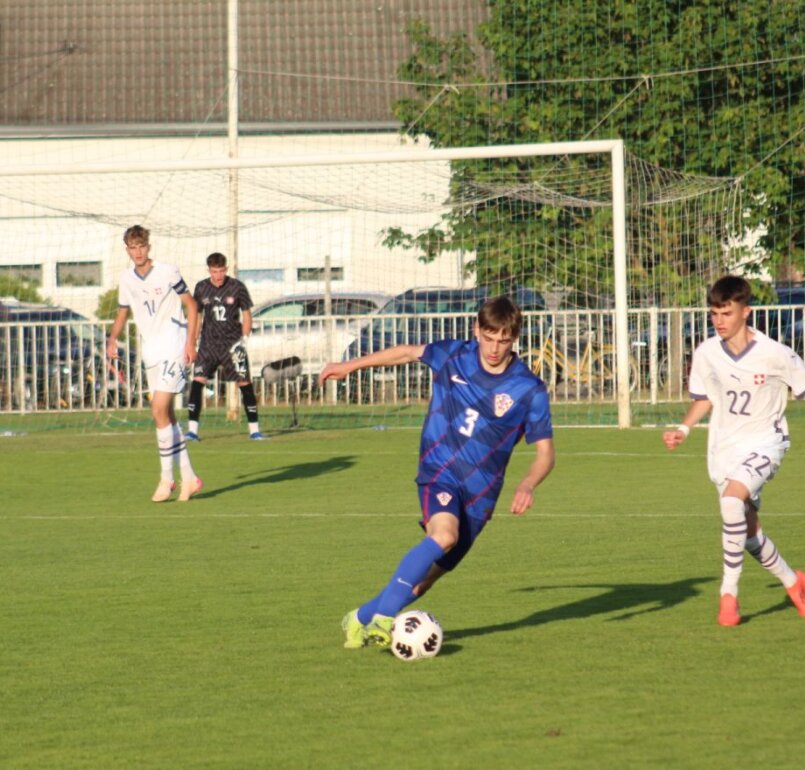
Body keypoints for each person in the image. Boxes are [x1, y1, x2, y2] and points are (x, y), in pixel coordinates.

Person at [320, 294, 556, 649]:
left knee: (422, 582)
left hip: (481, 496)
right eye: (488, 337)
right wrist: (348, 366)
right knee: (444, 535)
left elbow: (546, 454)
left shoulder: (528, 389)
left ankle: (359, 619)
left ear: (515, 338)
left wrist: (528, 483)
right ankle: (384, 621)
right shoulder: (453, 355)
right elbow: (404, 352)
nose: (494, 348)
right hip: (439, 470)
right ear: (477, 329)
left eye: (503, 340)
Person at [663, 275, 805, 627]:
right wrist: (683, 430)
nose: (719, 321)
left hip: (766, 443)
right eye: (715, 313)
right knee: (747, 533)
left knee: (732, 501)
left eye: (727, 313)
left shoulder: (774, 353)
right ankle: (794, 583)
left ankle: (728, 596)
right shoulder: (706, 353)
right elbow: (704, 399)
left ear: (745, 312)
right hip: (725, 450)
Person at [106, 225, 203, 502]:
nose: (137, 252)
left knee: (157, 408)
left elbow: (192, 306)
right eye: (132, 248)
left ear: (148, 246)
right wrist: (112, 339)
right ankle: (190, 477)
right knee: (166, 416)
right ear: (127, 250)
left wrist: (190, 342)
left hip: (174, 345)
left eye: (141, 246)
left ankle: (166, 479)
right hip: (151, 351)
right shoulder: (126, 279)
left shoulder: (167, 271)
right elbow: (123, 311)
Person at [186, 253, 264, 441]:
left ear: (226, 269)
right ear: (209, 270)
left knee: (245, 383)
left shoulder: (237, 287)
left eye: (221, 271)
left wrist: (243, 340)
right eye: (214, 271)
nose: (218, 275)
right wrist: (192, 342)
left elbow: (246, 315)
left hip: (232, 345)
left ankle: (254, 430)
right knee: (198, 381)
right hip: (208, 344)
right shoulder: (201, 288)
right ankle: (192, 431)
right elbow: (197, 317)